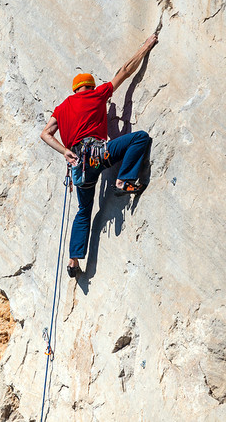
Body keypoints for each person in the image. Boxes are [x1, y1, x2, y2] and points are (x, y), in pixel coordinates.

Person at [40, 34, 158, 277]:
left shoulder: (62, 108)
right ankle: (123, 180)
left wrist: (65, 151)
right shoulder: (97, 95)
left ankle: (73, 261)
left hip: (79, 167)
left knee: (84, 211)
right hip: (98, 154)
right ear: (91, 87)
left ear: (75, 89)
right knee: (140, 138)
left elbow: (45, 133)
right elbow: (125, 72)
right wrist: (145, 46)